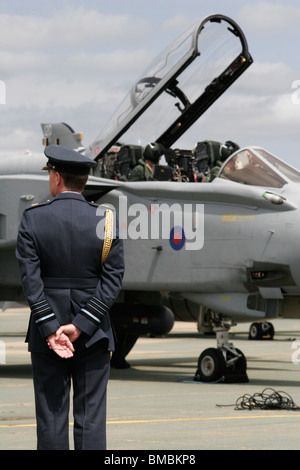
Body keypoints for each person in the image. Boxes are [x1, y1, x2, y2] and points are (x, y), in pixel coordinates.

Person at [15, 144, 125, 450]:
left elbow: (30, 280)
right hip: (94, 333)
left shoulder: (33, 219)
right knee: (91, 418)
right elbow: (113, 278)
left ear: (56, 177)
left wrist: (51, 328)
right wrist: (82, 324)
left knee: (51, 416)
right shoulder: (107, 220)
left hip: (44, 331)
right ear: (84, 181)